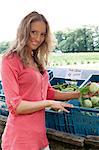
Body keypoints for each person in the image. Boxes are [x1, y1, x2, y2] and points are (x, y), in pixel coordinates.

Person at [1, 11, 80, 150]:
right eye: (33, 32)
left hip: (40, 138)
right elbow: (16, 106)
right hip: (20, 140)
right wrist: (49, 103)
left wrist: (78, 94)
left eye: (43, 34)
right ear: (24, 31)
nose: (38, 38)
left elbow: (48, 92)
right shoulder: (10, 60)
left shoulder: (37, 61)